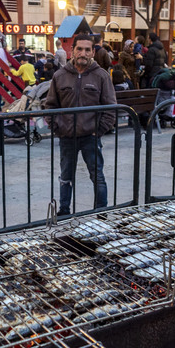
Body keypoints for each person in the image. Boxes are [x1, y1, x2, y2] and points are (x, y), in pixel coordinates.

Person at [45, 34, 116, 217]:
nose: (83, 53)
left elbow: (111, 107)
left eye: (87, 49)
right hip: (66, 136)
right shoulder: (59, 76)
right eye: (79, 49)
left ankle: (101, 212)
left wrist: (98, 131)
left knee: (97, 176)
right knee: (65, 177)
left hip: (90, 137)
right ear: (72, 51)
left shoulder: (101, 76)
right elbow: (50, 106)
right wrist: (58, 128)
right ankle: (64, 210)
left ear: (93, 52)